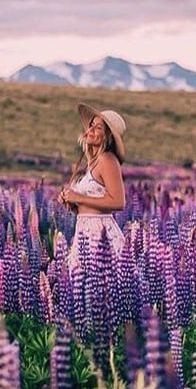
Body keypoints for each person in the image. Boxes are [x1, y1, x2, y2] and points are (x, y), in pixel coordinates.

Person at [57, 103, 127, 271]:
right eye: (91, 125)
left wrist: (79, 197)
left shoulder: (107, 159)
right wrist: (73, 205)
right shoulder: (93, 163)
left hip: (101, 236)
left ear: (107, 137)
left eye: (99, 128)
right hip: (84, 233)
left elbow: (118, 202)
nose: (91, 130)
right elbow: (92, 205)